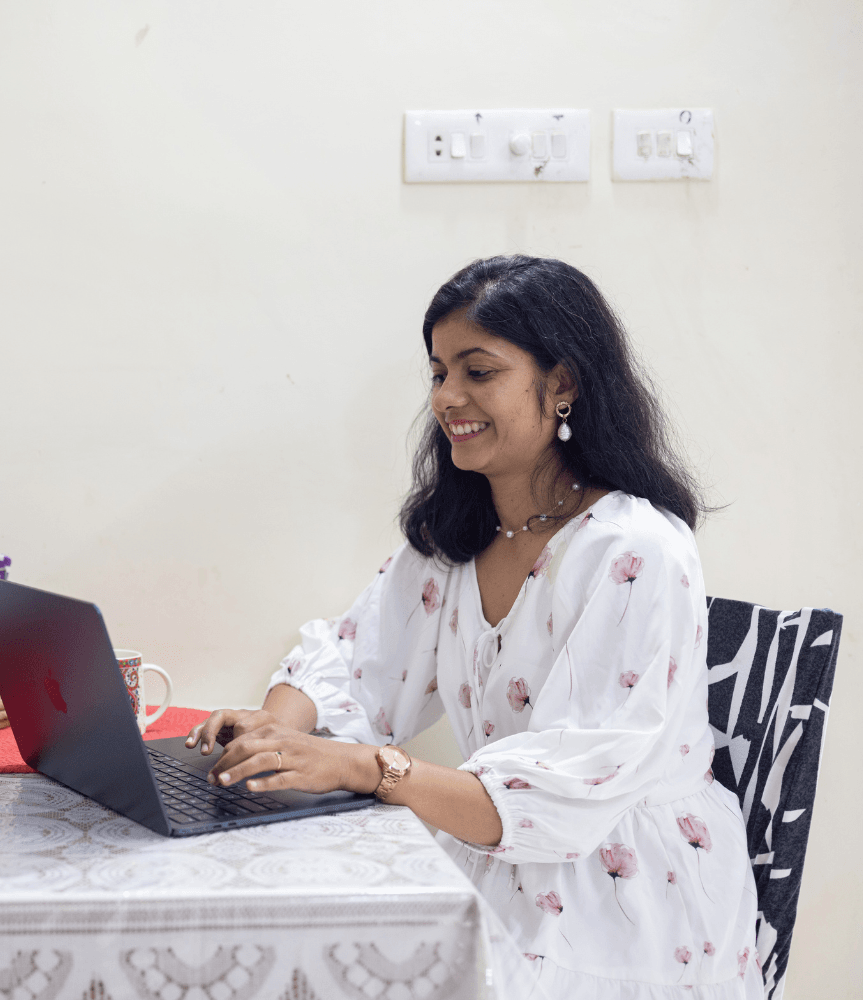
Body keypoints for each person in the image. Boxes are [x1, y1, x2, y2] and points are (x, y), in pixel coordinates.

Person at [189, 256, 762, 998]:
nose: (446, 397)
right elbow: (355, 657)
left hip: (623, 903)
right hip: (492, 851)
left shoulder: (636, 550)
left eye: (478, 371)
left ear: (562, 384)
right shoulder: (457, 536)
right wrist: (274, 730)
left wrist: (368, 768)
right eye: (437, 373)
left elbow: (568, 799)